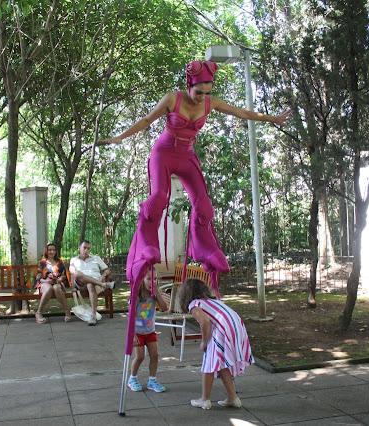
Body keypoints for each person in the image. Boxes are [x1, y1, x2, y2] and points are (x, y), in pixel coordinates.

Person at [98, 60, 292, 293]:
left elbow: (241, 112)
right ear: (189, 84)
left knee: (204, 206)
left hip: (187, 155)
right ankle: (147, 247)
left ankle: (204, 249)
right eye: (199, 92)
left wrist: (272, 118)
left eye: (207, 93)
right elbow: (147, 120)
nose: (202, 97)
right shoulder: (173, 99)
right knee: (158, 199)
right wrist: (121, 137)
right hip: (164, 153)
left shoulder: (210, 103)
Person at [177, 278, 254, 410]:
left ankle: (204, 399)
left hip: (223, 328)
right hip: (236, 325)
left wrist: (204, 341)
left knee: (209, 362)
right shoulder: (213, 301)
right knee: (221, 362)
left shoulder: (195, 304)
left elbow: (205, 321)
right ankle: (232, 397)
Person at [127, 268, 168, 393]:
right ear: (142, 280)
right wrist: (132, 335)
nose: (153, 282)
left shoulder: (154, 294)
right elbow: (131, 316)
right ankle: (132, 378)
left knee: (154, 356)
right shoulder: (136, 296)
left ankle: (152, 380)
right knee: (140, 356)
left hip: (150, 331)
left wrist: (157, 293)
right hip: (138, 332)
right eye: (149, 279)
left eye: (155, 279)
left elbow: (165, 308)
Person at [69, 240, 117, 326]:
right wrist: (73, 287)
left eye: (88, 248)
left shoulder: (96, 258)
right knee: (77, 273)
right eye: (84, 248)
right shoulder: (74, 260)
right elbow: (73, 273)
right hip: (81, 283)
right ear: (79, 248)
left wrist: (103, 274)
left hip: (94, 284)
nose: (86, 250)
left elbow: (107, 270)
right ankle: (104, 285)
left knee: (90, 284)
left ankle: (93, 315)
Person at [34, 242, 72, 324]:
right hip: (45, 282)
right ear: (46, 251)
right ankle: (39, 312)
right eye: (50, 250)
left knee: (56, 288)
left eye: (54, 250)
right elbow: (39, 277)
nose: (52, 252)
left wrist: (58, 280)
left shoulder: (60, 261)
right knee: (48, 288)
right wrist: (46, 281)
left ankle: (67, 311)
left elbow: (63, 275)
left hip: (57, 282)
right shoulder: (42, 263)